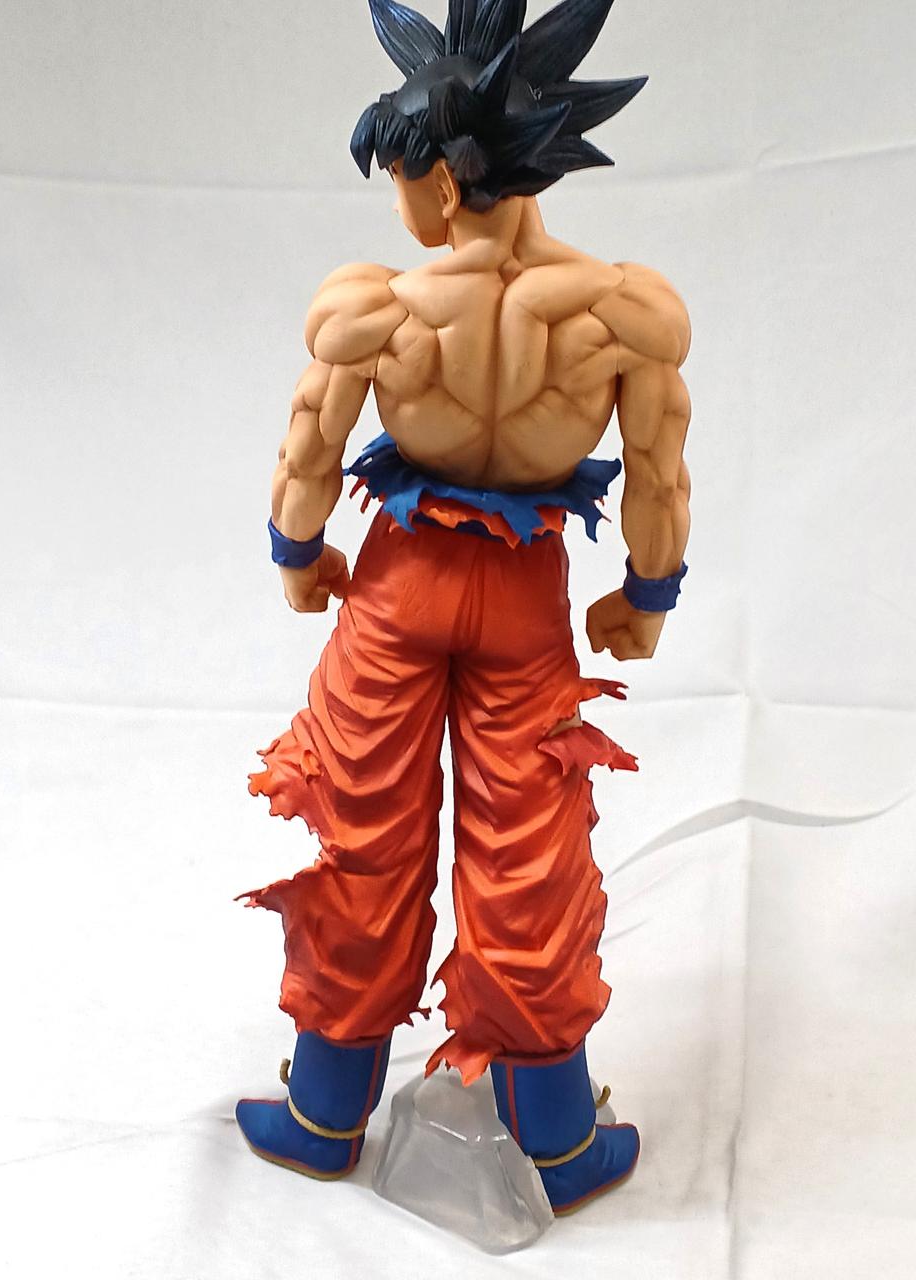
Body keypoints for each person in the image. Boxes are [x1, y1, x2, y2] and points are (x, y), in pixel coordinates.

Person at [236, 0, 691, 1216]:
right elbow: (661, 471)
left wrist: (298, 556)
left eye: (401, 173)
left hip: (399, 587)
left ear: (443, 177)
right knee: (529, 855)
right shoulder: (623, 310)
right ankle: (558, 1138)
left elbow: (309, 444)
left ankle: (326, 1112)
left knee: (367, 834)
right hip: (524, 601)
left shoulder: (378, 306)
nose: (400, 200)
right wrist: (646, 594)